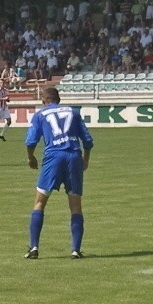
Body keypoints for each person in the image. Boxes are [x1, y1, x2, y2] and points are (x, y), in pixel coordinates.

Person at [24, 87, 94, 259]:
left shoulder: (41, 114)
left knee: (39, 202)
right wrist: (86, 159)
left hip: (53, 157)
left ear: (43, 100)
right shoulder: (74, 112)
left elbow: (31, 140)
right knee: (75, 205)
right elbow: (88, 140)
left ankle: (34, 248)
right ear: (59, 99)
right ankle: (75, 250)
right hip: (73, 156)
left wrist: (30, 157)